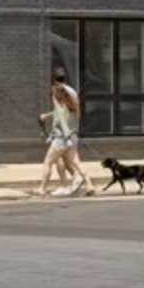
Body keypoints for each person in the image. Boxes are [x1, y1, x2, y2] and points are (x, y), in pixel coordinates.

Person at [37, 66, 95, 197]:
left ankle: (42, 188)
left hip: (62, 137)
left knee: (48, 162)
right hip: (73, 135)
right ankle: (89, 184)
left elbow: (62, 117)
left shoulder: (57, 92)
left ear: (54, 79)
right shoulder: (72, 92)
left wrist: (62, 134)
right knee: (76, 163)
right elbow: (67, 113)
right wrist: (48, 115)